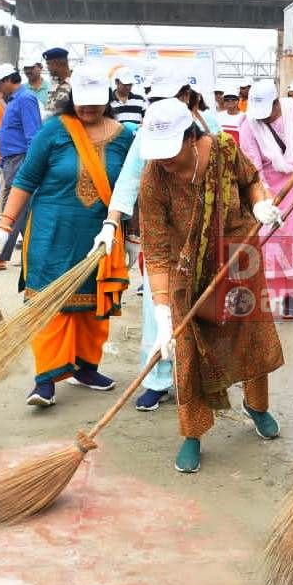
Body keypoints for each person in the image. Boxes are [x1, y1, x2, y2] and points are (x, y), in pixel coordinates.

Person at [136, 99, 285, 473]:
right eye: (158, 154)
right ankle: (193, 433)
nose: (165, 162)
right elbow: (154, 249)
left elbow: (252, 182)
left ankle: (257, 405)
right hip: (186, 273)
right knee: (188, 352)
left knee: (248, 337)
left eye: (170, 152)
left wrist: (260, 206)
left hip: (238, 261)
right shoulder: (153, 179)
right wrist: (162, 313)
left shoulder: (223, 151)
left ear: (190, 137)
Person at [0, 65, 134, 407]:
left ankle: (86, 367)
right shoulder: (53, 131)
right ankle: (45, 379)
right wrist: (4, 225)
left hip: (99, 234)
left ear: (107, 98)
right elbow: (24, 181)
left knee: (94, 305)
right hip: (51, 233)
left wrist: (133, 234)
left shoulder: (124, 137)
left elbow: (131, 187)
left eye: (96, 102)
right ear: (72, 98)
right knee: (51, 304)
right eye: (83, 102)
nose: (89, 109)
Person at [105, 65, 219, 412]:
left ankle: (202, 380)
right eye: (154, 99)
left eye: (168, 98)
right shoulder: (149, 132)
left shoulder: (211, 133)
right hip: (165, 235)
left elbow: (238, 179)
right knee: (161, 311)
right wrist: (111, 221)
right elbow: (129, 177)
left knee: (207, 310)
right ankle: (156, 379)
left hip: (205, 235)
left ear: (186, 97)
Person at [237, 80, 293, 319]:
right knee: (270, 246)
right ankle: (270, 297)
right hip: (270, 196)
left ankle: (291, 299)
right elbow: (252, 168)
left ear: (276, 102)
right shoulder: (248, 126)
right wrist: (263, 200)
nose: (263, 118)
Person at [0, 64, 42, 272]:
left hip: (20, 160)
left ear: (7, 80)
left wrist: (30, 166)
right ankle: (34, 252)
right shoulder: (14, 100)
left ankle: (1, 255)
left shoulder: (25, 99)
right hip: (12, 161)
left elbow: (33, 135)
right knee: (23, 211)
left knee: (14, 208)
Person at [41, 46, 72, 121]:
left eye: (48, 64)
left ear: (56, 63)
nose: (47, 67)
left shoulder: (74, 83)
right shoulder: (55, 84)